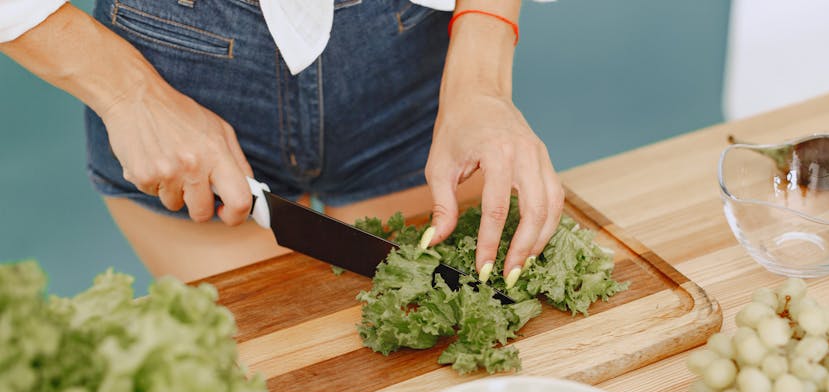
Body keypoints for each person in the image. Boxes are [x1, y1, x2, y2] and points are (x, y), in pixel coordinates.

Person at [0, 0, 564, 288]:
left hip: (412, 54)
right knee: (273, 376)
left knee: (428, 360)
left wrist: (482, 76)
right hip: (176, 64)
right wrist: (128, 94)